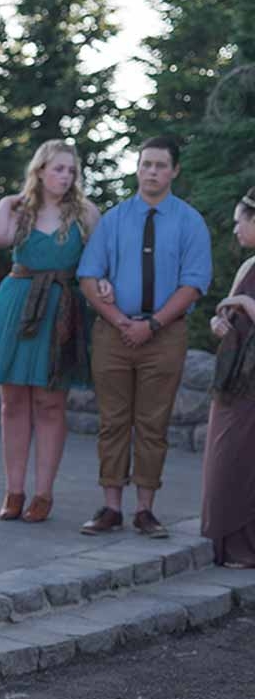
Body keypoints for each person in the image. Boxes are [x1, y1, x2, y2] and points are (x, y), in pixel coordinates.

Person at [76, 135, 211, 539]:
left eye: (160, 165)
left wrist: (151, 325)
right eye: (145, 164)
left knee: (153, 423)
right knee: (113, 421)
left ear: (174, 171)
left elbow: (194, 284)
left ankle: (146, 510)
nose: (151, 172)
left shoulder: (190, 222)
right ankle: (111, 507)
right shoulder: (115, 219)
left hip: (165, 335)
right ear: (137, 168)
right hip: (114, 334)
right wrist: (119, 320)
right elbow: (88, 275)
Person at [0, 141, 99, 524]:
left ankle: (43, 493)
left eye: (71, 170)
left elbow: (103, 256)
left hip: (60, 307)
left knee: (49, 402)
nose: (66, 176)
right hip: (18, 304)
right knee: (13, 401)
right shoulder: (21, 210)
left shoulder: (84, 213)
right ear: (40, 170)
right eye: (58, 169)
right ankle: (14, 491)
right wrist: (9, 199)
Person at [202, 192, 255, 568]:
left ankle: (245, 547)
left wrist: (247, 306)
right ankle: (227, 543)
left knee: (244, 457)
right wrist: (219, 322)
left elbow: (246, 308)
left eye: (242, 221)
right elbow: (227, 316)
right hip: (234, 377)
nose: (236, 228)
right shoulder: (249, 265)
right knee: (225, 455)